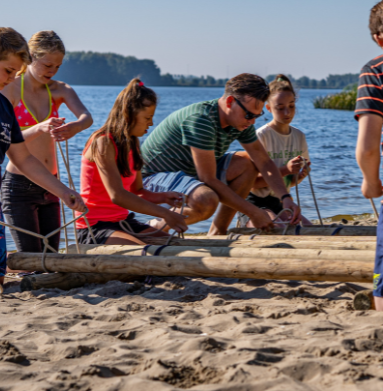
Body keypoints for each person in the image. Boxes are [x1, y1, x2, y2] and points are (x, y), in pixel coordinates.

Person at [140, 73, 301, 236]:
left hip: (188, 174)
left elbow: (264, 162)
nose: (252, 121)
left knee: (247, 164)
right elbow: (208, 179)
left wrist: (285, 198)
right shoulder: (201, 120)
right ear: (230, 102)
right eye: (249, 115)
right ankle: (153, 229)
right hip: (152, 178)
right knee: (206, 200)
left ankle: (218, 231)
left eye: (257, 116)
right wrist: (253, 212)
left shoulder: (240, 122)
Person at [0, 28, 87, 284]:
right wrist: (38, 128)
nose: (11, 78)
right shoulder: (13, 94)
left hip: (44, 184)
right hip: (16, 189)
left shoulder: (3, 106)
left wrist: (64, 192)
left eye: (15, 72)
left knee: (17, 273)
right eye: (7, 71)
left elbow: (23, 157)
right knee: (31, 263)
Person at [78, 79, 187, 245]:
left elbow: (137, 192)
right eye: (147, 118)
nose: (151, 123)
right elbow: (118, 196)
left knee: (176, 246)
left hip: (123, 222)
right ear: (129, 115)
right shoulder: (103, 142)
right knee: (149, 255)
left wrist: (163, 197)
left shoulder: (132, 142)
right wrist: (165, 214)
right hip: (94, 228)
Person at [355, 0, 383, 313]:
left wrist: (371, 182)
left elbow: (368, 146)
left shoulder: (376, 69)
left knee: (382, 296)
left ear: (378, 38)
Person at [246, 74, 313, 226]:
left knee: (308, 228)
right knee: (276, 227)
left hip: (281, 201)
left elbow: (292, 182)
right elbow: (251, 183)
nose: (287, 113)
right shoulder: (261, 135)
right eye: (280, 108)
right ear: (268, 108)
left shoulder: (299, 136)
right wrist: (286, 170)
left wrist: (300, 175)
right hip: (256, 202)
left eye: (291, 106)